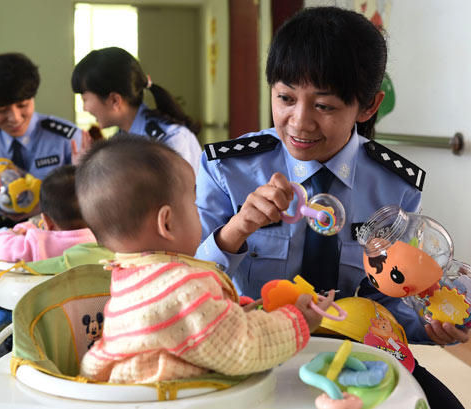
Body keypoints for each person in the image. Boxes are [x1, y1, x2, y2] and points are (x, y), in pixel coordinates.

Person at [194, 6, 466, 408]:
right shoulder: (227, 168)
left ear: (369, 106)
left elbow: (388, 298)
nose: (299, 122)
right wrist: (237, 230)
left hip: (354, 354)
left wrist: (431, 325)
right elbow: (189, 283)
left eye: (324, 106)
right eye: (285, 98)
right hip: (250, 351)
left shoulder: (396, 185)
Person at [75, 134, 333, 384]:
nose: (199, 211)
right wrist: (297, 320)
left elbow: (189, 329)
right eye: (193, 201)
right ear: (167, 222)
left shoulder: (128, 278)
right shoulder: (182, 288)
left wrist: (231, 309)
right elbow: (242, 349)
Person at [0, 52, 83, 227]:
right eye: (1, 110)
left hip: (56, 233)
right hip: (1, 238)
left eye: (22, 105)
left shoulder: (67, 139)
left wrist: (44, 208)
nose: (15, 118)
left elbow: (88, 204)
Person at [71, 47, 202, 174]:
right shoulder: (120, 142)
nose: (85, 108)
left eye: (85, 99)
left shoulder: (171, 141)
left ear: (115, 100)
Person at [0, 165, 96, 262]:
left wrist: (20, 228)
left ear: (47, 222)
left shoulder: (39, 244)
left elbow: (3, 247)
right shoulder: (105, 238)